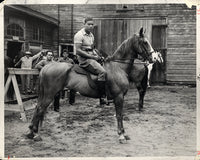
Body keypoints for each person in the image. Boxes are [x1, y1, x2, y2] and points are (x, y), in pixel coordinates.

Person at [74, 17, 107, 105]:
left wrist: (98, 56)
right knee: (102, 72)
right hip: (84, 59)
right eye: (88, 24)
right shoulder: (79, 35)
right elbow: (78, 50)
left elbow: (91, 48)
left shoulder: (91, 35)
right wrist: (92, 57)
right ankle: (102, 96)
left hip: (91, 57)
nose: (91, 26)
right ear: (84, 24)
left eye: (92, 24)